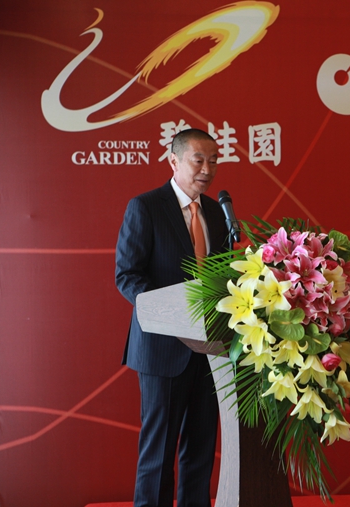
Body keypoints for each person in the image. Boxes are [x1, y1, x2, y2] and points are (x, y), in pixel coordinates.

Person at [115, 129, 230, 507]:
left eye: (213, 160)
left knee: (200, 449)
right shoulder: (146, 207)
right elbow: (128, 276)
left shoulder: (217, 212)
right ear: (174, 161)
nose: (207, 169)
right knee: (159, 450)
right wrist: (173, 317)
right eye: (199, 160)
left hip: (210, 348)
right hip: (163, 348)